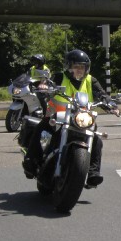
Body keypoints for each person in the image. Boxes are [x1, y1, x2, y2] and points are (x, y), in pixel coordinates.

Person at [20, 49, 115, 188]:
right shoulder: (60, 77)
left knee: (97, 141)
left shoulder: (90, 80)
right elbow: (49, 83)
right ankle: (30, 160)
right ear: (68, 67)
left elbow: (102, 94)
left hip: (80, 119)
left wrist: (110, 104)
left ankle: (93, 173)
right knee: (41, 127)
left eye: (82, 67)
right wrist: (44, 86)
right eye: (76, 67)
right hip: (57, 117)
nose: (79, 70)